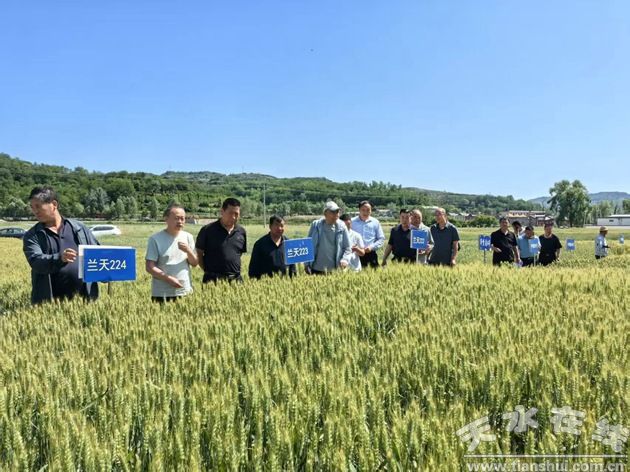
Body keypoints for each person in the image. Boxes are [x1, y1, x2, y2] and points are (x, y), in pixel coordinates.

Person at [23, 186, 100, 304]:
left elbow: (98, 253)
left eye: (38, 206)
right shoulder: (32, 235)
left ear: (54, 204)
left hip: (85, 302)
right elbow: (36, 261)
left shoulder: (79, 228)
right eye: (32, 207)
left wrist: (107, 273)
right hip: (49, 304)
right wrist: (60, 258)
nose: (35, 211)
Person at [145, 204, 198, 302]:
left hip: (185, 291)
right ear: (166, 219)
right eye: (176, 218)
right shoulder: (155, 239)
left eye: (182, 218)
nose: (180, 221)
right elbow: (149, 267)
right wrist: (168, 279)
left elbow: (194, 263)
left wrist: (188, 251)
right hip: (162, 293)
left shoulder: (188, 237)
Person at [195, 198, 247, 283]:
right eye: (230, 213)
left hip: (236, 280)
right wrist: (209, 272)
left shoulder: (241, 232)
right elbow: (199, 254)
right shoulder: (207, 230)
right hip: (213, 280)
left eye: (236, 214)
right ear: (222, 211)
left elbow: (238, 254)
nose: (233, 217)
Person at [305, 201, 351, 274]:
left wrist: (345, 260)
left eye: (337, 212)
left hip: (335, 269)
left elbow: (347, 248)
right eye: (333, 212)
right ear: (325, 213)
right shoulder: (316, 225)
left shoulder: (342, 227)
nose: (336, 214)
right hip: (316, 268)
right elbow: (308, 245)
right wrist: (307, 264)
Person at [248, 215, 296, 279]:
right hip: (265, 283)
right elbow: (253, 269)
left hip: (286, 282)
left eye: (282, 225)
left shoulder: (289, 243)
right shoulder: (260, 244)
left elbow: (292, 268)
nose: (279, 228)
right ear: (270, 226)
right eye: (276, 225)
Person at [351, 200, 385, 268]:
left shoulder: (375, 222)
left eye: (368, 210)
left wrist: (371, 247)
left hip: (371, 254)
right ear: (359, 210)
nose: (365, 212)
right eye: (363, 210)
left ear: (371, 211)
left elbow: (381, 239)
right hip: (355, 254)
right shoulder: (352, 222)